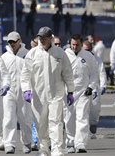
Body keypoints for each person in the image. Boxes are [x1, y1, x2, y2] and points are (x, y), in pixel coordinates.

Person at [21, 27, 75, 156]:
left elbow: (67, 73)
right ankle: (43, 149)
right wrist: (26, 89)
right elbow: (25, 74)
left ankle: (57, 150)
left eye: (45, 38)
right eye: (40, 38)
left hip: (56, 94)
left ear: (51, 38)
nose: (42, 40)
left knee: (55, 122)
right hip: (39, 95)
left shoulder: (60, 53)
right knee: (41, 124)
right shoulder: (32, 54)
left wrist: (71, 91)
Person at [64, 34, 99, 153]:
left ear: (81, 44)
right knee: (68, 118)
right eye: (72, 45)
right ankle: (70, 141)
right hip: (68, 92)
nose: (74, 47)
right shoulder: (65, 55)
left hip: (83, 92)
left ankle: (80, 144)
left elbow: (94, 73)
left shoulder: (88, 56)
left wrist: (91, 86)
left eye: (77, 45)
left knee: (82, 118)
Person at [1, 31, 33, 154]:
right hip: (9, 91)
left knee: (25, 118)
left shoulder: (28, 55)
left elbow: (32, 74)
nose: (12, 44)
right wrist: (3, 86)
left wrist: (30, 89)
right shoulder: (4, 57)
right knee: (8, 117)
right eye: (10, 42)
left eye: (14, 42)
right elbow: (1, 75)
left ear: (19, 41)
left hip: (24, 91)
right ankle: (9, 143)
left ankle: (26, 142)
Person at [83, 40, 107, 138]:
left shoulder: (97, 60)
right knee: (83, 110)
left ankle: (93, 123)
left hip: (94, 88)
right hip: (82, 88)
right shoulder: (79, 58)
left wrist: (103, 85)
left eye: (88, 50)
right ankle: (83, 132)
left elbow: (101, 72)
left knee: (95, 109)